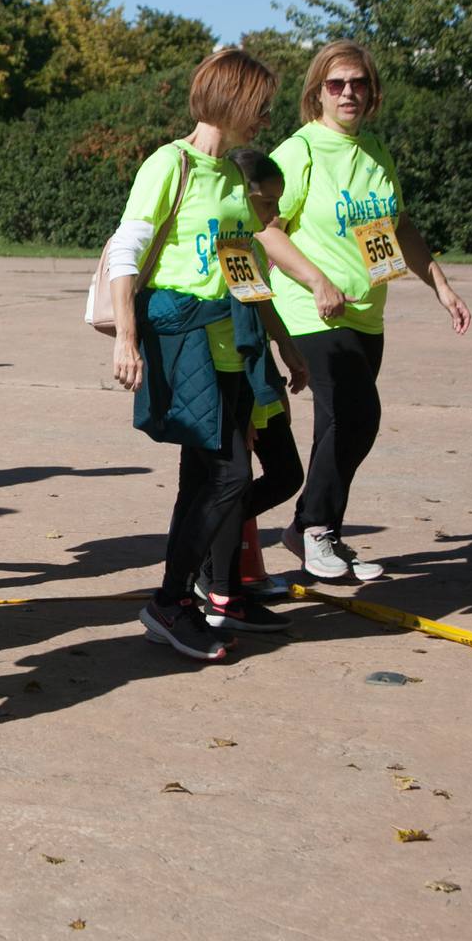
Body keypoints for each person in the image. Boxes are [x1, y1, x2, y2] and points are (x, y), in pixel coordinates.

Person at [111, 49, 309, 658]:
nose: (266, 115)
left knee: (206, 480)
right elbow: (125, 251)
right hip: (186, 344)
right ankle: (172, 600)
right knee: (224, 478)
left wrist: (282, 341)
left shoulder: (230, 178)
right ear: (232, 99)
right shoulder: (170, 164)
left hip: (235, 351)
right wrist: (125, 336)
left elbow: (244, 268)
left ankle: (200, 596)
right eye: (261, 104)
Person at [257, 40, 470, 582]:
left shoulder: (375, 151)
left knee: (345, 426)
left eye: (359, 84)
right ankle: (315, 530)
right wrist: (316, 280)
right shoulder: (300, 151)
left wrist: (440, 285)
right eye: (336, 84)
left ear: (371, 94)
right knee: (357, 416)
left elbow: (393, 228)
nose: (348, 93)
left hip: (365, 312)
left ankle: (315, 529)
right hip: (313, 311)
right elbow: (267, 231)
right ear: (317, 93)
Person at [200, 148, 307, 604]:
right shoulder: (223, 241)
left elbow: (258, 298)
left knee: (285, 474)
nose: (276, 213)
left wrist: (287, 351)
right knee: (233, 479)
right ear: (242, 195)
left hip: (259, 370)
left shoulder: (249, 243)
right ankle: (214, 574)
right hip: (229, 373)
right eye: (267, 201)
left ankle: (210, 553)